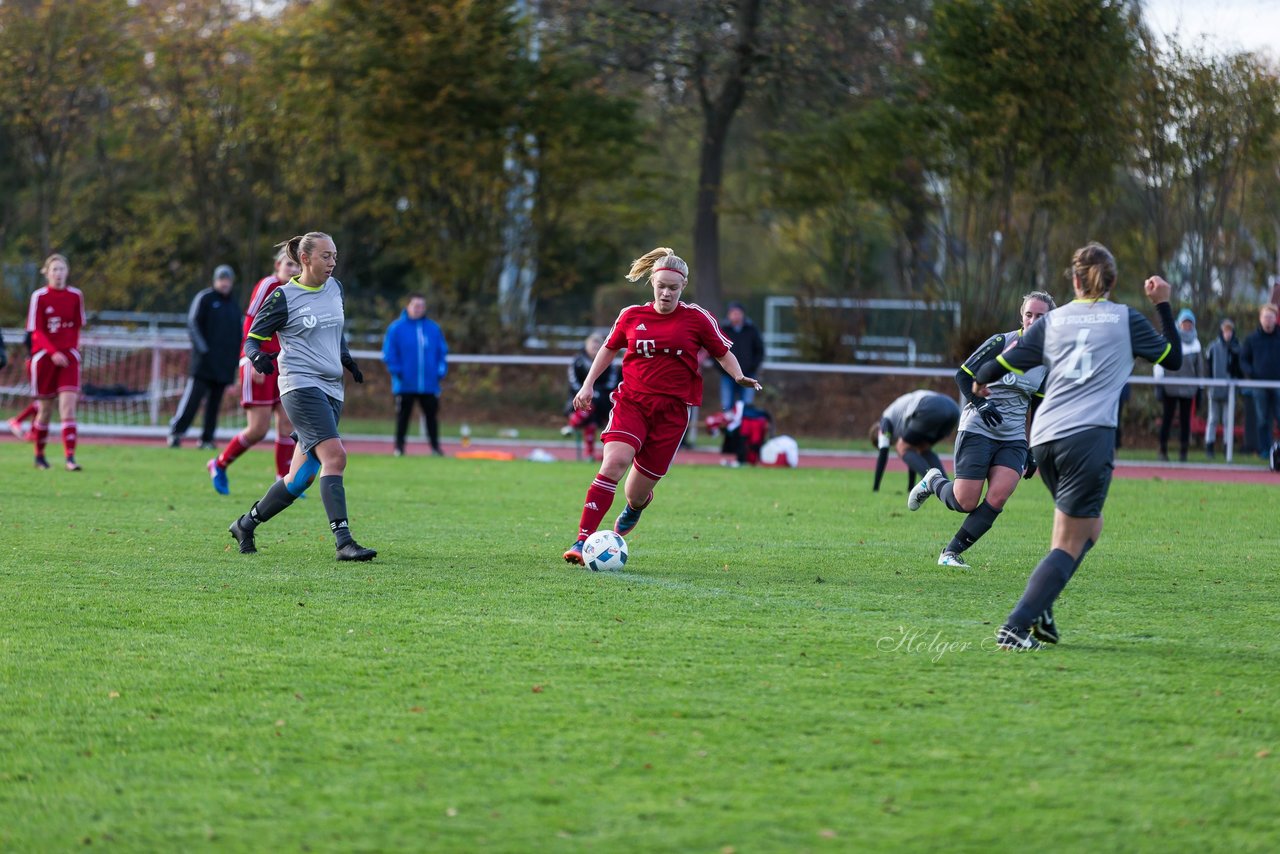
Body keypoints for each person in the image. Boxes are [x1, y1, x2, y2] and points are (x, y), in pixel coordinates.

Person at [970, 242, 1181, 650]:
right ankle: (1015, 627)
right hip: (1088, 439)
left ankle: (1042, 607)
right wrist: (1164, 304)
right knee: (1071, 540)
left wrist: (981, 379)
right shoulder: (1125, 319)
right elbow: (1172, 359)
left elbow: (996, 365)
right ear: (1113, 282)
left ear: (1073, 280)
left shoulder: (1054, 321)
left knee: (1087, 529)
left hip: (1045, 438)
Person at [560, 247, 760, 565]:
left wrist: (737, 376)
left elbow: (722, 352)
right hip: (632, 402)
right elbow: (608, 349)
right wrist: (588, 384)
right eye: (661, 286)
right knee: (613, 464)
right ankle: (582, 540)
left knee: (635, 494)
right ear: (652, 283)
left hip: (672, 413)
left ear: (682, 288)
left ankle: (635, 508)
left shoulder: (696, 318)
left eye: (673, 288)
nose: (666, 293)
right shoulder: (632, 316)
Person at [227, 232, 376, 561]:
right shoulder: (284, 296)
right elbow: (253, 338)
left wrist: (347, 359)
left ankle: (245, 524)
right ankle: (344, 542)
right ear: (306, 259)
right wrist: (256, 357)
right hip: (300, 386)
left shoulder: (335, 289)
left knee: (299, 479)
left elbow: (334, 331)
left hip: (331, 388)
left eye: (335, 255)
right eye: (326, 256)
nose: (332, 262)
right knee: (335, 457)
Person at [907, 291, 1055, 568]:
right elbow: (963, 376)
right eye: (1029, 314)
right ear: (1021, 316)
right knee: (965, 501)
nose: (1033, 320)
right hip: (978, 428)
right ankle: (933, 481)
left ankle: (950, 553)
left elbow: (1038, 404)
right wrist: (979, 403)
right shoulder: (1002, 342)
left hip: (1013, 438)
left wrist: (1034, 447)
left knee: (998, 496)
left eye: (1041, 316)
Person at [207, 250, 302, 494]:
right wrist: (254, 356)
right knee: (258, 429)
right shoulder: (268, 285)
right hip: (258, 361)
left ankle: (285, 478)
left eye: (297, 265)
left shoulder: (297, 290)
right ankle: (218, 464)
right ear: (278, 264)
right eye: (289, 264)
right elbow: (250, 321)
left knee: (287, 423)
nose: (293, 269)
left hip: (283, 364)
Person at [168, 265, 243, 449]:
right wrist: (204, 350)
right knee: (192, 400)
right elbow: (193, 324)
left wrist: (234, 362)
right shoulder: (205, 298)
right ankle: (176, 433)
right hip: (203, 363)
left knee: (214, 404)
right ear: (215, 280)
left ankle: (207, 438)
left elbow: (238, 335)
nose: (225, 283)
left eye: (228, 280)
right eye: (221, 279)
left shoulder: (233, 306)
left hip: (223, 365)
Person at [26, 254, 86, 471]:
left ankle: (70, 458)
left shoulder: (75, 296)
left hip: (68, 358)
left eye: (62, 269)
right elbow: (37, 331)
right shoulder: (39, 297)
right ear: (47, 273)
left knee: (68, 408)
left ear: (67, 272)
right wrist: (52, 352)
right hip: (45, 359)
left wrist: (72, 350)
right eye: (55, 270)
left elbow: (77, 326)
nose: (58, 274)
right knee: (45, 410)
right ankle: (39, 455)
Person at [381, 294, 449, 456]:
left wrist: (440, 371)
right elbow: (389, 353)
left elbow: (442, 352)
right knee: (403, 417)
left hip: (429, 384)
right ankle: (399, 448)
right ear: (408, 306)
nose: (419, 309)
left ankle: (435, 448)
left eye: (422, 306)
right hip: (405, 383)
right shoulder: (396, 328)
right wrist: (397, 371)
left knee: (432, 416)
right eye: (416, 305)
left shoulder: (433, 328)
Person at [871, 389, 960, 492]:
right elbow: (912, 451)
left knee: (901, 447)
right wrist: (910, 487)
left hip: (931, 405)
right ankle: (946, 488)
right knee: (922, 448)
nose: (890, 443)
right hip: (953, 409)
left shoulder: (884, 420)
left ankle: (933, 483)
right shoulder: (899, 421)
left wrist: (876, 488)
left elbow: (883, 452)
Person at [1152, 308, 1203, 461]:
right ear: (1179, 324)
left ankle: (1183, 451)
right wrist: (1159, 384)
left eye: (1189, 323)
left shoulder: (1196, 344)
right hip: (1170, 386)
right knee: (1167, 418)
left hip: (1188, 389)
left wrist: (1200, 388)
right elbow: (1160, 362)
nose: (1187, 326)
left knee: (1185, 420)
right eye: (1184, 323)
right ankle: (1162, 449)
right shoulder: (1170, 338)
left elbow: (1199, 368)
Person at [561, 332, 619, 459]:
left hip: (603, 401)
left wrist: (595, 392)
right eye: (592, 346)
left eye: (598, 347)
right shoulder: (578, 361)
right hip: (578, 400)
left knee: (594, 403)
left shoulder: (610, 363)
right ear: (586, 346)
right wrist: (583, 392)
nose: (595, 349)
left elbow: (612, 383)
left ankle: (573, 424)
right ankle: (589, 454)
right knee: (590, 418)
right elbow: (573, 382)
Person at [1241, 303, 1280, 459]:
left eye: (1270, 317)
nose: (1268, 320)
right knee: (1262, 420)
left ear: (1275, 319)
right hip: (1259, 385)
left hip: (1278, 385)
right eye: (1265, 317)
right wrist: (1252, 374)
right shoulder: (1252, 339)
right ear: (1260, 319)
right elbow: (1243, 360)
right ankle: (1265, 451)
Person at [1202, 317, 1243, 459]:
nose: (1228, 334)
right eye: (1225, 331)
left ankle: (1227, 447)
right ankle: (1209, 446)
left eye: (1230, 331)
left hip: (1230, 390)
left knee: (1227, 420)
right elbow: (1207, 367)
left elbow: (1239, 370)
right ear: (1221, 331)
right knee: (1212, 418)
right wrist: (1208, 384)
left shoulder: (1237, 348)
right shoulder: (1213, 347)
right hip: (1214, 389)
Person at [717, 301, 765, 412]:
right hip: (728, 375)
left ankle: (745, 428)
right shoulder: (723, 330)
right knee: (727, 404)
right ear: (728, 315)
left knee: (746, 405)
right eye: (733, 313)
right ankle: (729, 428)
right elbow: (714, 351)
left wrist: (752, 367)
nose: (736, 315)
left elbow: (759, 350)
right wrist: (724, 369)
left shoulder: (751, 330)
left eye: (738, 313)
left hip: (748, 373)